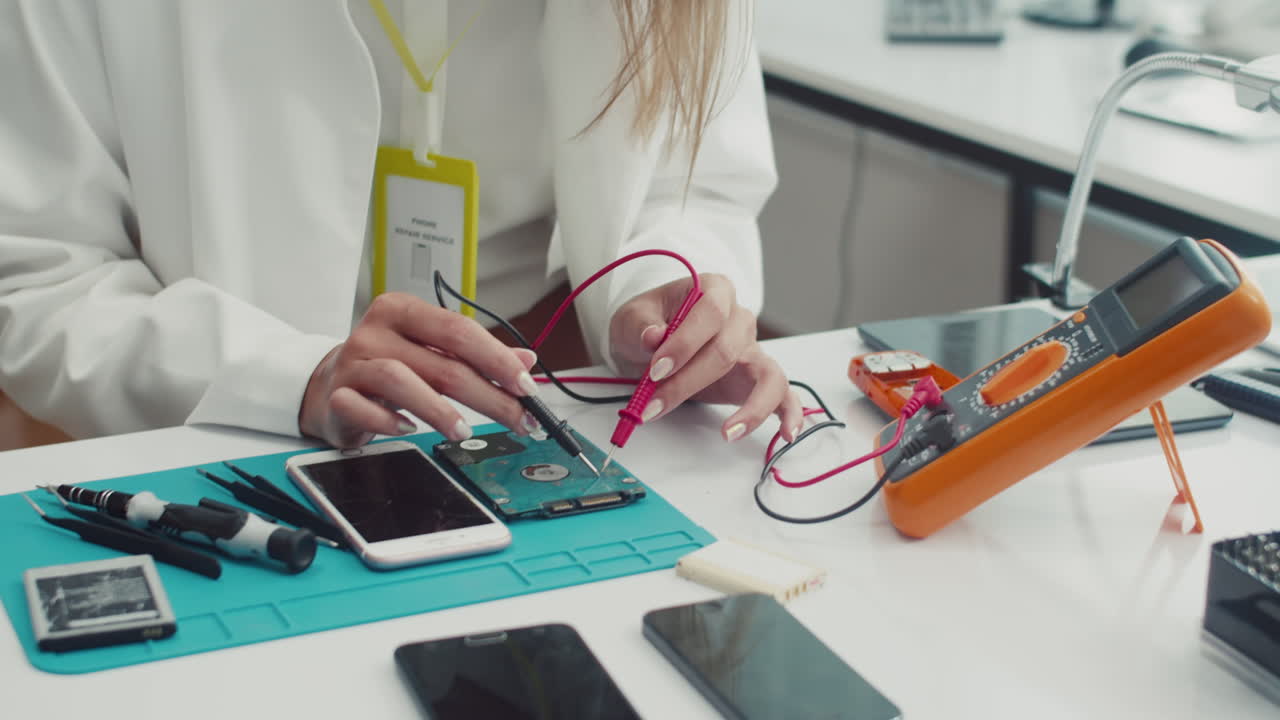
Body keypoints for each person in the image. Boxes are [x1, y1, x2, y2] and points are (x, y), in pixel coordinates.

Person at [0, 0, 802, 451]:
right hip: (220, 430)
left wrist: (662, 290)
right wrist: (288, 374)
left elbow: (692, 182)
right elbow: (42, 275)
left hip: (542, 390)